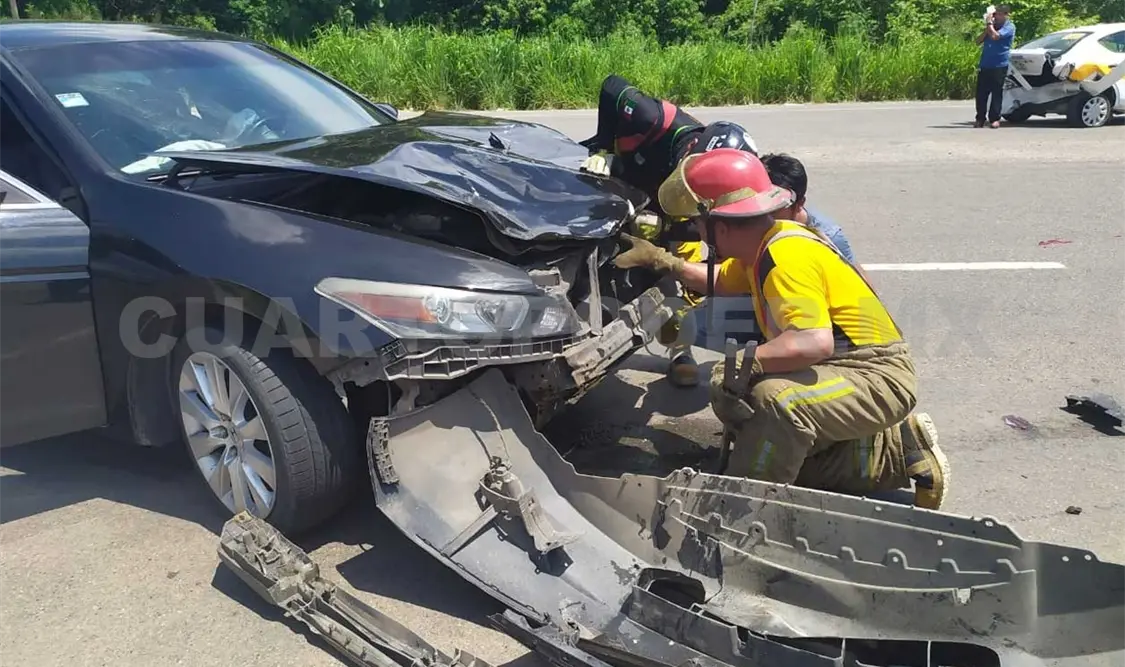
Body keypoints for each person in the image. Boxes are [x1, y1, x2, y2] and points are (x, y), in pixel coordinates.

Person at [609, 148, 950, 510]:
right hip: (849, 366)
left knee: (776, 403)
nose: (698, 232)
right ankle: (900, 449)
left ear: (719, 225)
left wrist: (744, 362)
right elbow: (720, 281)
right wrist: (662, 260)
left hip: (876, 373)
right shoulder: (767, 241)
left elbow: (812, 341)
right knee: (772, 447)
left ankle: (740, 511)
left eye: (699, 223)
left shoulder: (785, 256)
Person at [579, 74, 758, 388]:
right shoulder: (655, 119)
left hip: (674, 211)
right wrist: (602, 147)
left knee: (678, 276)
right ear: (690, 154)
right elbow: (610, 86)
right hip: (621, 181)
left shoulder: (715, 185)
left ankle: (680, 349)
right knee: (605, 262)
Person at [692, 152, 857, 351]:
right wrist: (665, 262)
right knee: (697, 323)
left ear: (798, 203)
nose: (762, 212)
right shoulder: (761, 236)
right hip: (765, 303)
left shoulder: (797, 246)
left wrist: (756, 360)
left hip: (820, 325)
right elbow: (721, 279)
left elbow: (818, 338)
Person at [975, 4, 1016, 129]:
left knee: (996, 92)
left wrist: (989, 26)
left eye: (998, 14)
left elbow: (995, 36)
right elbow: (978, 41)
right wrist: (987, 27)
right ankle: (980, 118)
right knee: (981, 93)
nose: (995, 16)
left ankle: (995, 119)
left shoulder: (1009, 27)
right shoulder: (991, 27)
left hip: (1000, 64)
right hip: (985, 64)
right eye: (994, 14)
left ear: (1005, 15)